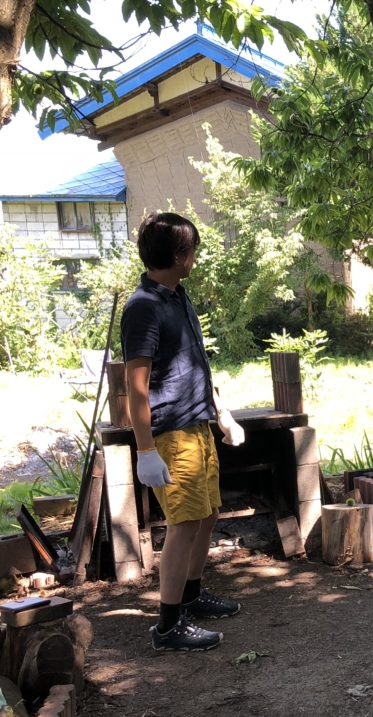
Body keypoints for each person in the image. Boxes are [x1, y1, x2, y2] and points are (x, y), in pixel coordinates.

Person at [122, 212, 246, 652]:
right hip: (171, 434)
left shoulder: (177, 296)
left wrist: (223, 414)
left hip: (198, 424)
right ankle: (168, 625)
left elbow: (196, 364)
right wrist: (144, 451)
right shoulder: (143, 308)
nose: (196, 257)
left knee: (207, 512)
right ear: (178, 255)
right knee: (184, 521)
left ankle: (191, 594)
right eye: (192, 250)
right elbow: (135, 386)